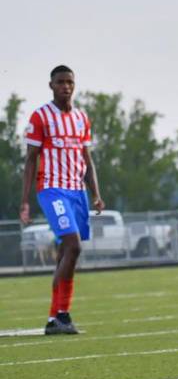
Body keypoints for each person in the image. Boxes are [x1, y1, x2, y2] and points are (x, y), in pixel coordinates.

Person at [19, 65, 103, 335]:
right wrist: (25, 201)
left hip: (76, 191)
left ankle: (53, 319)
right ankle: (63, 314)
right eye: (60, 82)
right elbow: (30, 160)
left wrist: (96, 193)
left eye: (70, 82)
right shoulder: (41, 116)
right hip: (52, 189)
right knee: (73, 246)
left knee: (65, 254)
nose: (66, 86)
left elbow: (87, 159)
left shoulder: (81, 117)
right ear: (51, 85)